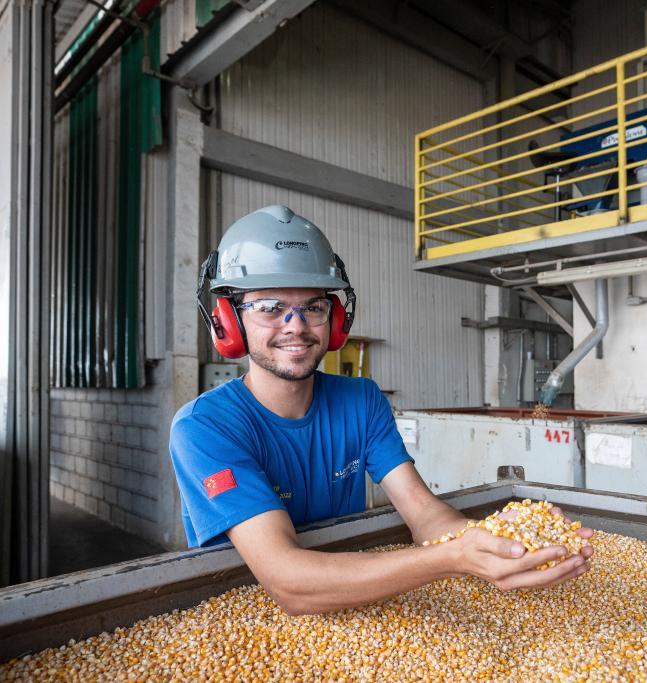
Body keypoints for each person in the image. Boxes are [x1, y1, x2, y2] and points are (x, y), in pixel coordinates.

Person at [169, 205, 593, 616]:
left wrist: (500, 538)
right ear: (227, 322)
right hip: (250, 616)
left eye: (313, 307)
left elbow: (424, 515)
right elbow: (288, 583)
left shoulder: (361, 400)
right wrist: (451, 559)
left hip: (356, 599)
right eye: (269, 308)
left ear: (335, 319)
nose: (296, 325)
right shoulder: (204, 427)